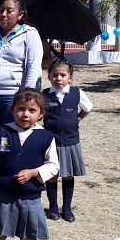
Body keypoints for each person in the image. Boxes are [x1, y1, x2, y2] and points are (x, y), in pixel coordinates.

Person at [0, 88, 59, 240]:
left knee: (27, 237)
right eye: (20, 108)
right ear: (12, 110)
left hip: (30, 197)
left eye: (32, 110)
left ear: (41, 114)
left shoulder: (45, 137)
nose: (25, 114)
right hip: (4, 195)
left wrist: (34, 173)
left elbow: (53, 166)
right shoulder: (2, 131)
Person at [0, 0, 43, 130]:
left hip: (13, 96)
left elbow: (33, 67)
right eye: (1, 10)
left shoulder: (30, 34)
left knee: (11, 137)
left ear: (20, 15)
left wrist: (27, 97)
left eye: (9, 11)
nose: (3, 14)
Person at [43, 58, 92, 222]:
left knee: (68, 175)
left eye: (63, 75)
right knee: (51, 175)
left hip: (71, 141)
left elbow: (88, 108)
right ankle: (53, 207)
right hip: (51, 142)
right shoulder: (45, 95)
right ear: (49, 77)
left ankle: (67, 208)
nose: (58, 78)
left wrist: (77, 119)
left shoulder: (77, 93)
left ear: (70, 77)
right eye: (54, 75)